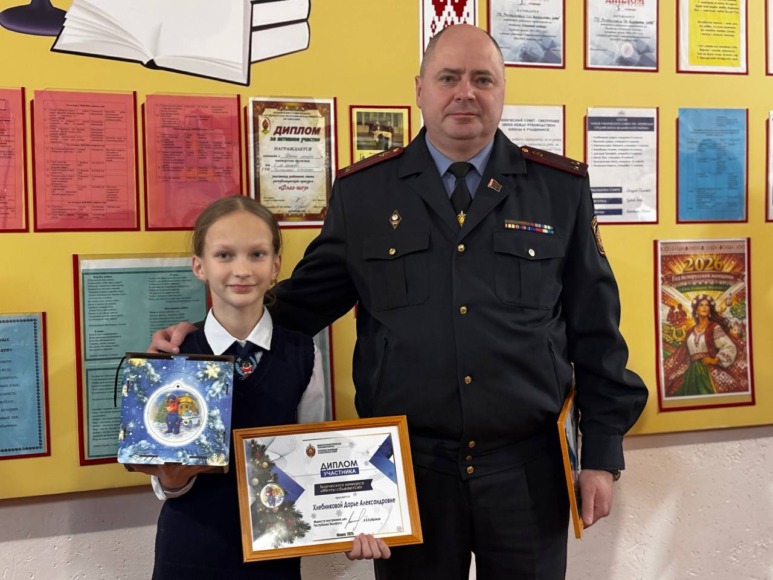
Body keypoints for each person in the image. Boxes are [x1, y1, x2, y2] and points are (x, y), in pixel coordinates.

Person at [151, 25, 647, 579]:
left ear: (503, 89)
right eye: (448, 78)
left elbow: (596, 331)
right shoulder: (366, 193)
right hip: (408, 472)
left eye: (483, 79)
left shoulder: (558, 189)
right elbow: (298, 305)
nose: (465, 92)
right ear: (420, 89)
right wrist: (205, 335)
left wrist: (602, 455)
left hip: (527, 470)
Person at [135, 196, 389, 579]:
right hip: (189, 550)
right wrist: (172, 480)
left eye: (256, 254)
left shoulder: (303, 353)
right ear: (199, 266)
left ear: (275, 266)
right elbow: (164, 481)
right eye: (224, 255)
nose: (241, 270)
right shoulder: (175, 355)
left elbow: (314, 460)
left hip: (274, 557)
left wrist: (349, 523)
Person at [664, 294, 745, 397]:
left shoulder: (714, 327)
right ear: (696, 311)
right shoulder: (690, 331)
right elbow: (682, 353)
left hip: (708, 370)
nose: (705, 307)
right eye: (701, 305)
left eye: (707, 305)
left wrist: (715, 360)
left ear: (710, 310)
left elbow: (729, 346)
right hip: (691, 371)